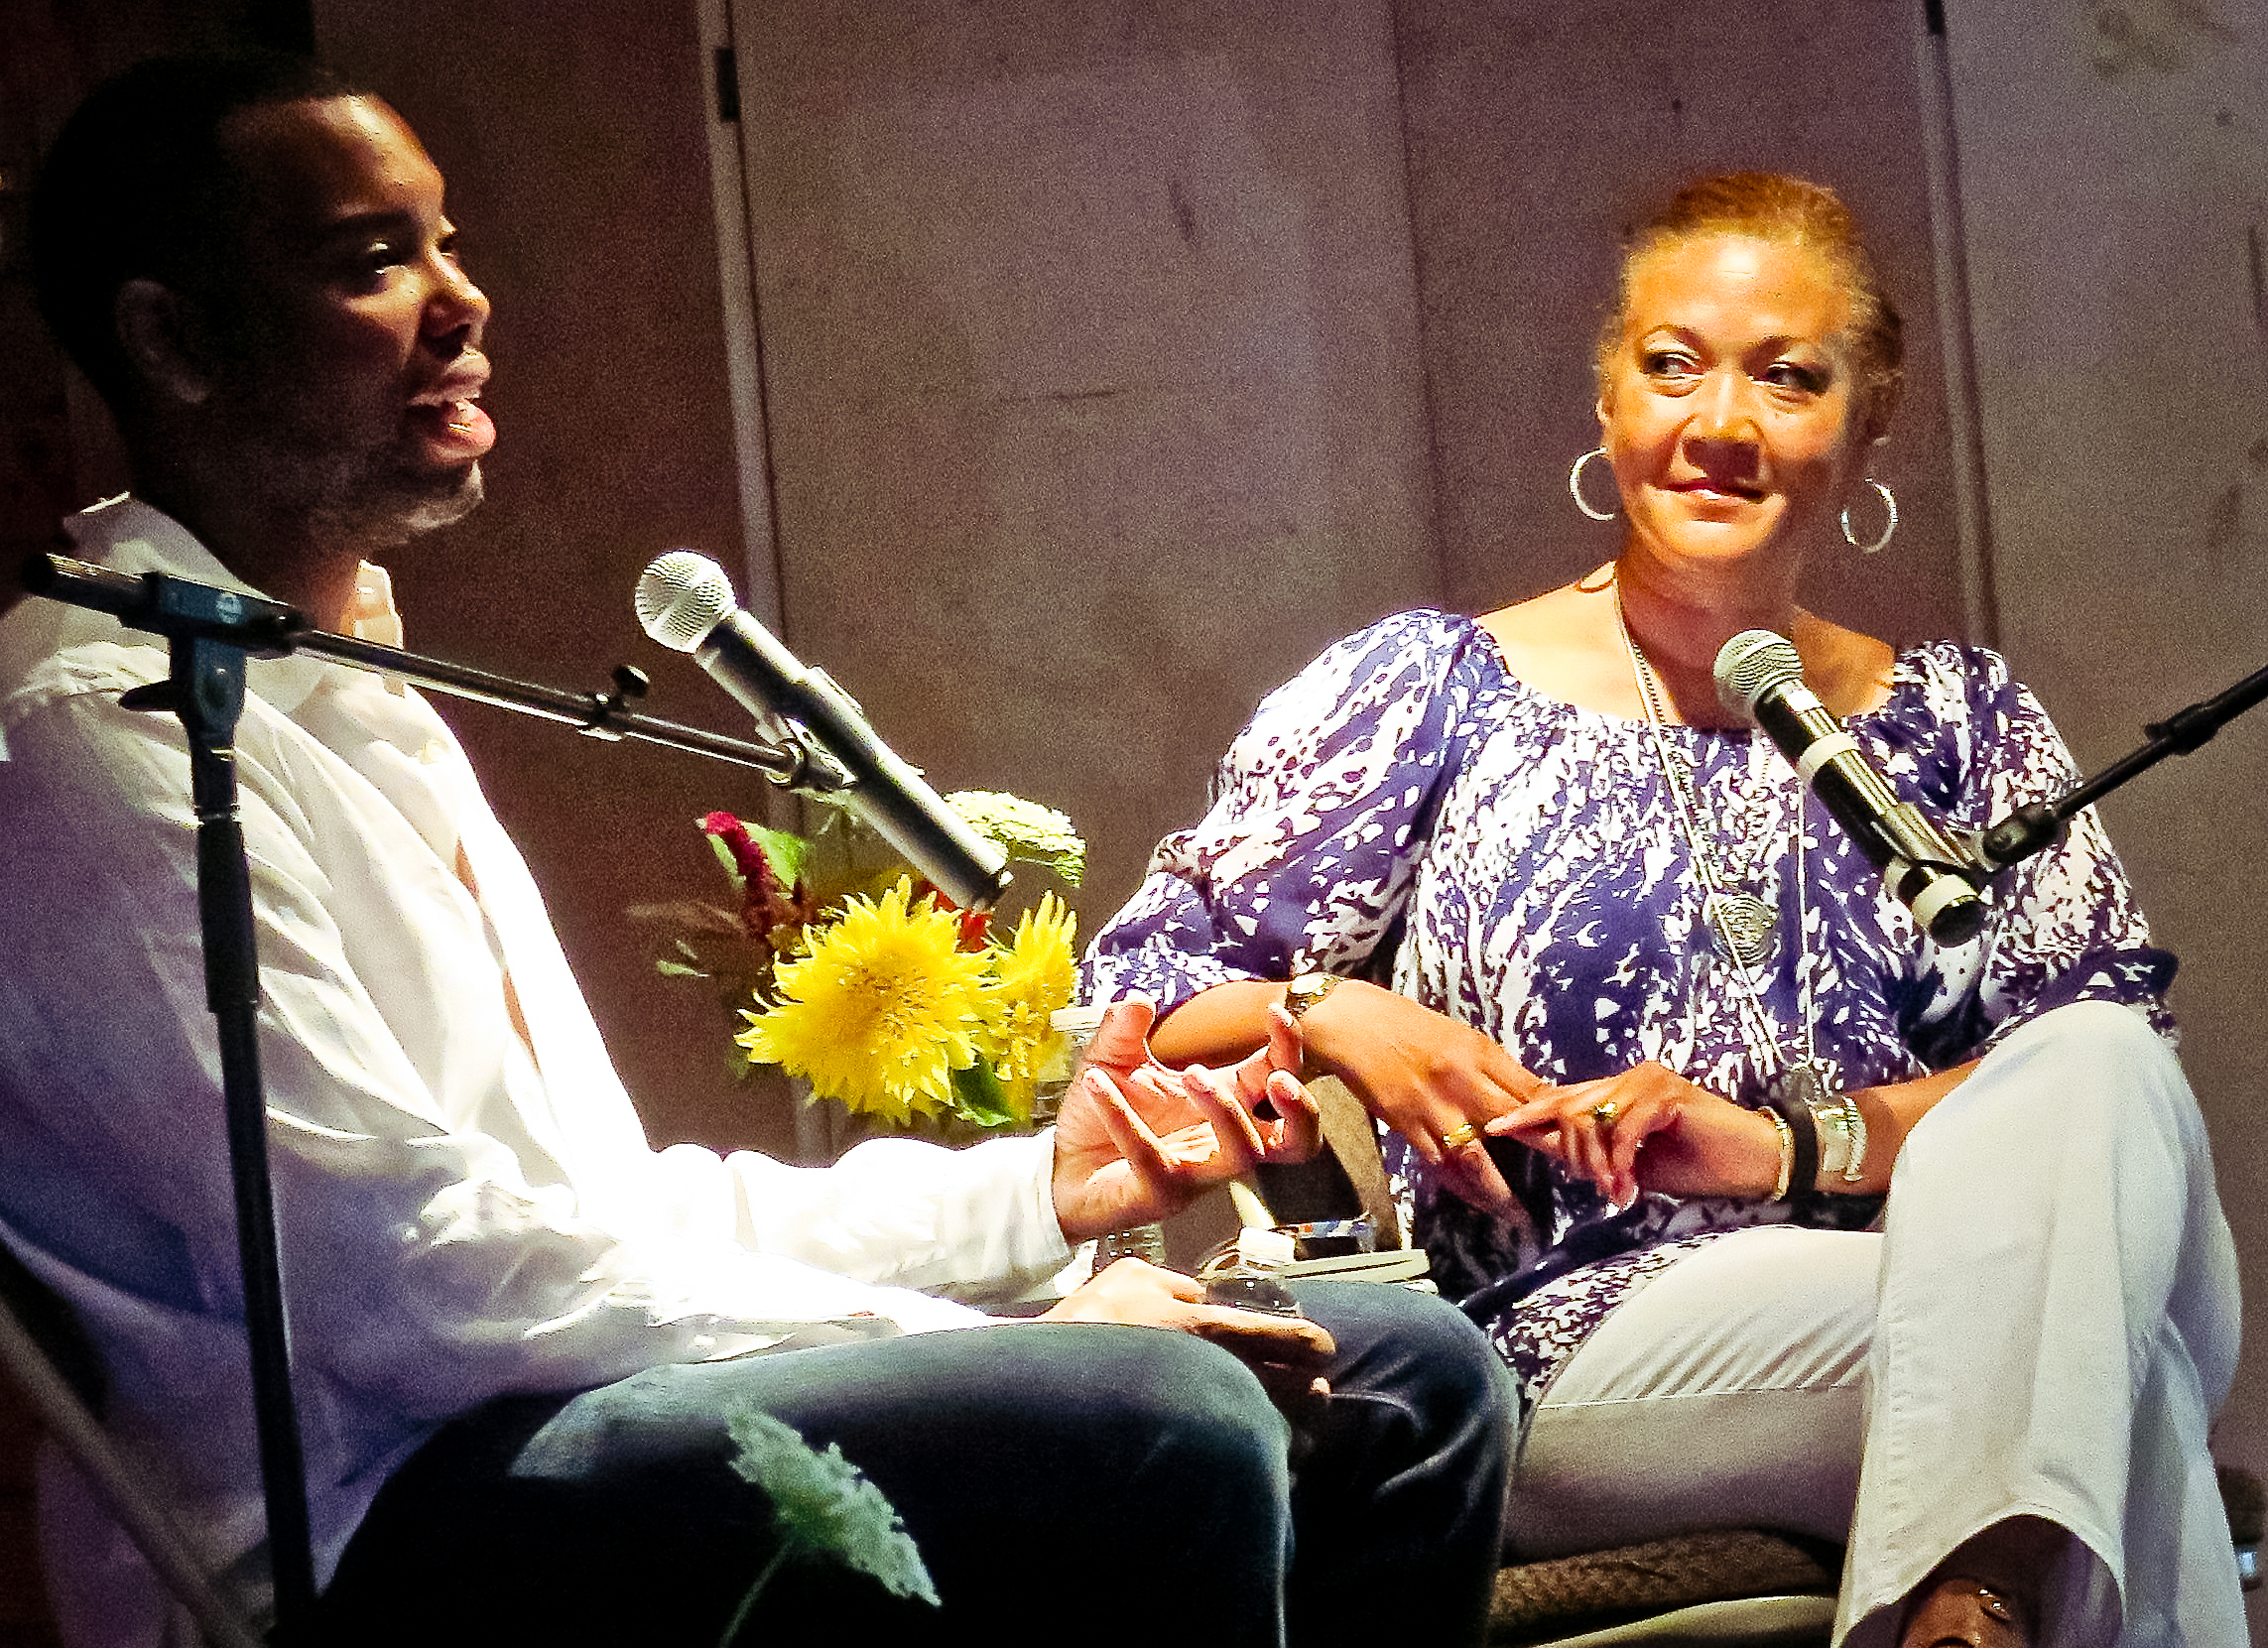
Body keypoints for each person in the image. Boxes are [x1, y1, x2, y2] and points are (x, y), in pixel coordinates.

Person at [0, 52, 1512, 1648]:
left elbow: (605, 1210)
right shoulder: (106, 735)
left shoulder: (350, 689)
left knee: (1410, 1372)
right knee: (1162, 1410)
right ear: (172, 341)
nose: (463, 302)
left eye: (448, 241)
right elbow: (425, 1289)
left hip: (537, 1412)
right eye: (374, 262)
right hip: (377, 1520)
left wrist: (1033, 1200)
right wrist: (1006, 1338)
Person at [1084, 173, 2242, 1648]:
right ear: (1608, 401)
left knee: (2095, 1067)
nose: (1718, 422)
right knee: (2110, 1376)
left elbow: (2108, 1105)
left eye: (1786, 376)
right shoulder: (1434, 690)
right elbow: (1142, 982)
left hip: (1966, 1275)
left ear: (1866, 424)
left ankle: (1975, 1602)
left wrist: (1783, 1146)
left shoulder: (1959, 721)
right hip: (1592, 1330)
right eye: (1671, 363)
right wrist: (1336, 1009)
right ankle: (1976, 1599)